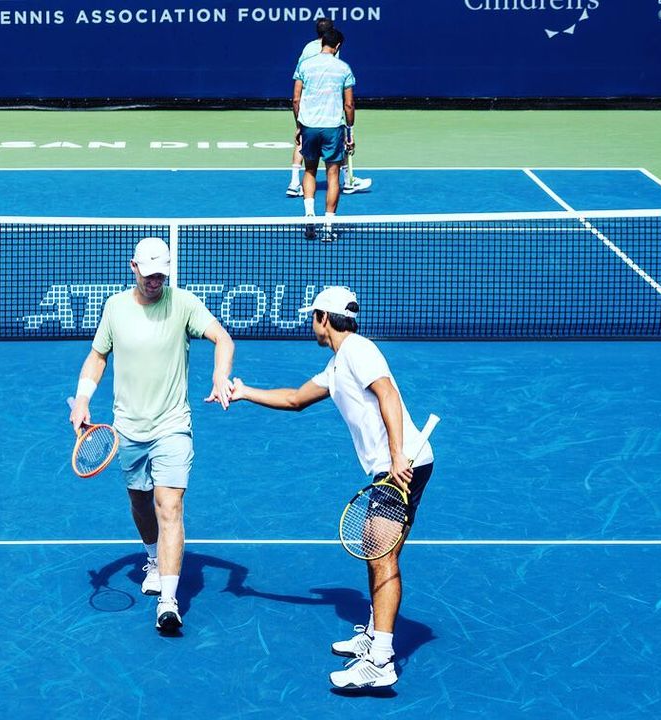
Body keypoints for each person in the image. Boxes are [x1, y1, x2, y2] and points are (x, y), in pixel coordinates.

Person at [227, 286, 435, 689]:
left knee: (381, 556)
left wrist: (396, 456)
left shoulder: (358, 350)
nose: (312, 323)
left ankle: (381, 660)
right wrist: (245, 392)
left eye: (314, 316)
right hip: (398, 464)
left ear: (324, 318)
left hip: (400, 466)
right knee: (378, 552)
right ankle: (375, 635)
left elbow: (388, 395)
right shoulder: (340, 363)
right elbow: (295, 399)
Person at [69, 237, 235, 634]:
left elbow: (223, 338)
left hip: (172, 425)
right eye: (148, 274)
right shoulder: (115, 308)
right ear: (134, 268)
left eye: (161, 274)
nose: (154, 281)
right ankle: (154, 559)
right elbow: (98, 356)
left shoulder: (184, 304)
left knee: (170, 506)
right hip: (128, 428)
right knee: (141, 503)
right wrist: (83, 398)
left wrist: (220, 375)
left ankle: (168, 602)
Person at [286, 20, 371, 198]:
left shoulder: (307, 49)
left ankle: (294, 183)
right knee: (338, 149)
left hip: (309, 111)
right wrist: (350, 129)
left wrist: (299, 122)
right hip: (329, 110)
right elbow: (341, 90)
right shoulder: (337, 58)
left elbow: (298, 92)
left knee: (303, 147)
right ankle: (347, 181)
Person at [292, 28, 359, 241]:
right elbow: (349, 104)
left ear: (322, 43)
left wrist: (299, 126)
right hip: (333, 128)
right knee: (333, 175)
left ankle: (309, 215)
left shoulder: (304, 65)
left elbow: (296, 99)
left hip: (309, 126)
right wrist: (349, 131)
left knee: (310, 170)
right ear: (337, 46)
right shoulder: (344, 68)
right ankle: (328, 227)